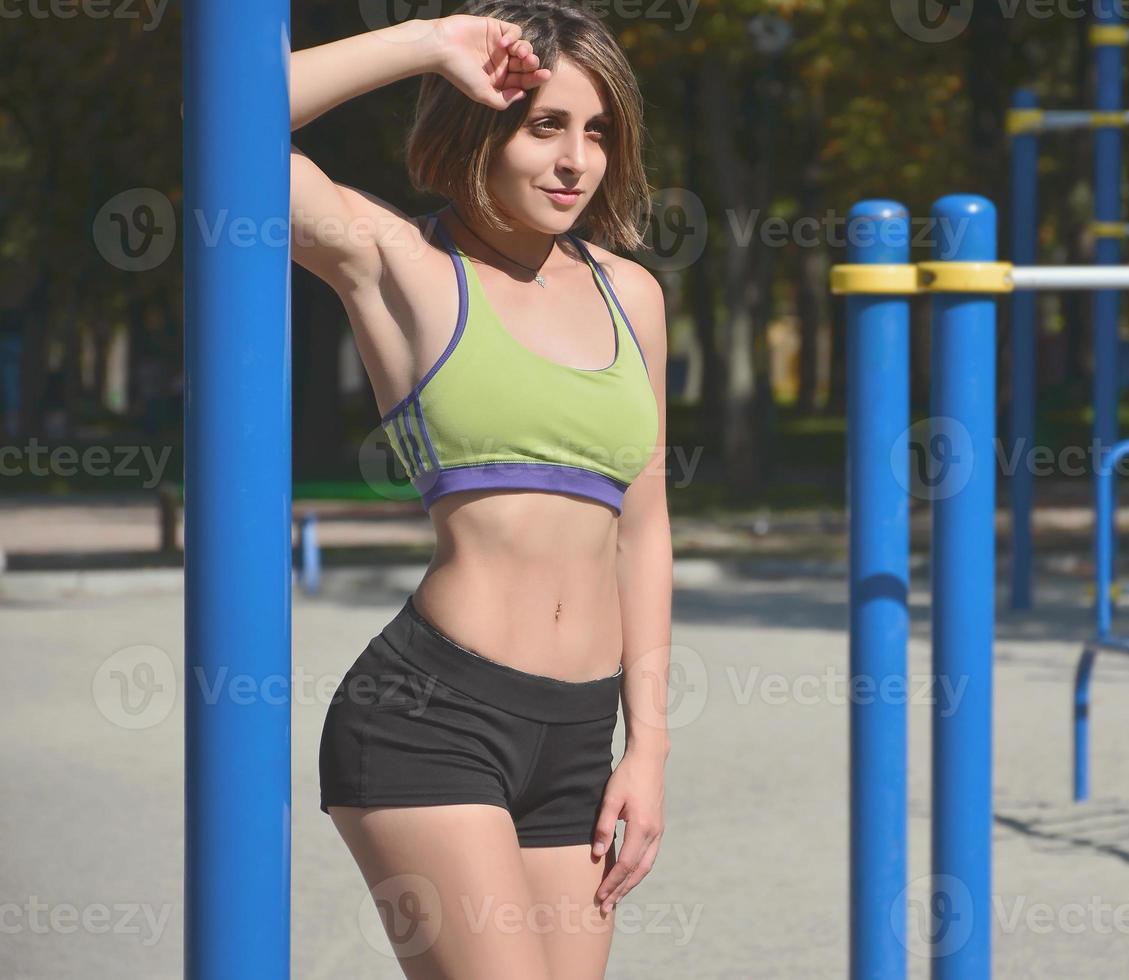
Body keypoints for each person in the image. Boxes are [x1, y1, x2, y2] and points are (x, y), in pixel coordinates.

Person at [289, 3, 671, 977]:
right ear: (482, 124)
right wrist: (427, 44)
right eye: (545, 124)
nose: (575, 159)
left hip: (582, 737)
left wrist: (648, 747)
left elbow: (646, 527)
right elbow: (226, 133)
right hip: (431, 715)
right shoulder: (404, 267)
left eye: (596, 131)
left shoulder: (631, 294)